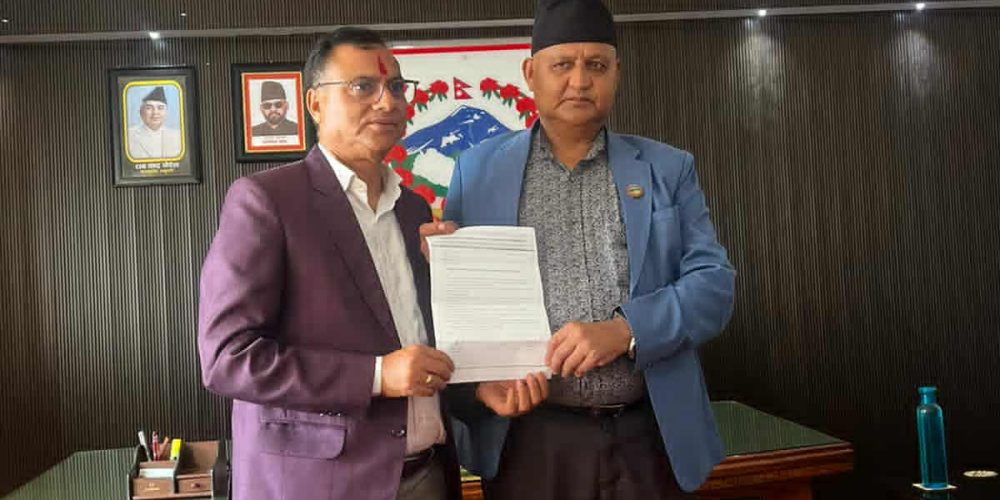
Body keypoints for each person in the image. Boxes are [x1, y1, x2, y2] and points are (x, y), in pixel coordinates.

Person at [427, 0, 736, 498]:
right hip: (530, 439)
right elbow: (457, 306)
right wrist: (441, 264)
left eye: (596, 65)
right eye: (562, 65)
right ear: (530, 74)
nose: (580, 81)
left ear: (617, 72)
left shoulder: (667, 168)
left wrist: (626, 330)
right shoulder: (478, 170)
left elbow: (714, 287)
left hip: (649, 435)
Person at [198, 27, 461, 500]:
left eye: (396, 87)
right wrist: (376, 376)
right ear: (315, 103)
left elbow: (415, 336)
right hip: (320, 484)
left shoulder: (414, 211)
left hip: (428, 473)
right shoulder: (267, 201)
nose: (387, 101)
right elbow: (228, 359)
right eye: (362, 87)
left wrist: (451, 277)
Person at [127, 86, 182, 160]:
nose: (155, 113)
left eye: (160, 108)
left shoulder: (177, 136)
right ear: (141, 112)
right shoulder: (129, 135)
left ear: (166, 112)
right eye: (149, 108)